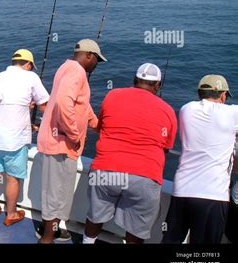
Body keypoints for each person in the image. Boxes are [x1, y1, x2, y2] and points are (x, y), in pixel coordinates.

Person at [84, 63, 177, 244]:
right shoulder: (168, 111)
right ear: (157, 85)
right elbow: (166, 146)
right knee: (137, 229)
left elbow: (101, 126)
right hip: (145, 176)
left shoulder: (112, 96)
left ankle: (87, 241)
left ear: (134, 80)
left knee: (96, 215)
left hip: (106, 169)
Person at [37, 39, 106, 244]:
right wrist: (74, 134)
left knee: (59, 193)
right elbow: (62, 101)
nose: (96, 65)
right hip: (61, 143)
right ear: (89, 56)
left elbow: (80, 104)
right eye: (96, 60)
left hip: (61, 143)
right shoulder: (76, 71)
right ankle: (47, 238)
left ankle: (54, 231)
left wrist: (96, 123)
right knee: (55, 194)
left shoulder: (67, 67)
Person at [162, 75, 237, 243]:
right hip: (213, 195)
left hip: (182, 191)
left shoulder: (186, 109)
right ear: (223, 95)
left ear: (199, 93)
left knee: (171, 239)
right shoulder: (233, 113)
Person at [0, 49, 49, 226]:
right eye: (31, 66)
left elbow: (0, 102)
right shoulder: (31, 77)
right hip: (14, 137)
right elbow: (44, 105)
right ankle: (10, 214)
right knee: (12, 178)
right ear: (28, 64)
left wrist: (26, 103)